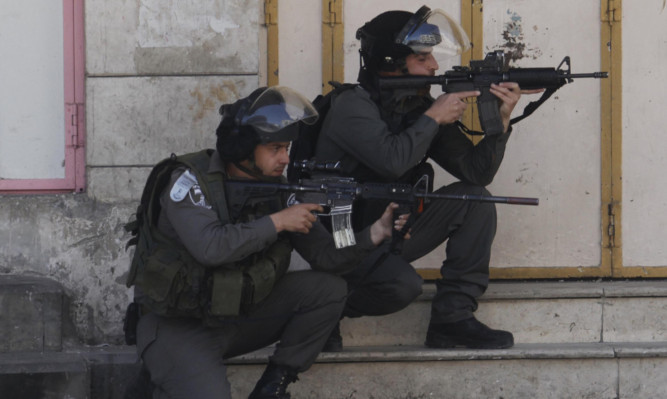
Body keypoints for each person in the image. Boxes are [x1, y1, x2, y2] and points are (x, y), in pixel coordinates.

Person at [123, 86, 408, 399]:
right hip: (178, 326)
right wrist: (279, 221)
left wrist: (375, 233)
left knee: (327, 289)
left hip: (238, 318)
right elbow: (210, 247)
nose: (286, 158)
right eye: (275, 148)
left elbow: (327, 258)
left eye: (286, 147)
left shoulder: (276, 189)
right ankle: (159, 375)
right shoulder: (189, 181)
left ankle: (274, 386)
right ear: (243, 149)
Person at [313, 6, 544, 351]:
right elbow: (392, 161)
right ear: (391, 62)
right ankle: (320, 312)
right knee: (402, 286)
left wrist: (500, 123)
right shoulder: (352, 106)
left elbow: (476, 172)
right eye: (423, 58)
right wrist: (434, 118)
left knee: (475, 199)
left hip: (392, 228)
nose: (434, 66)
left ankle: (453, 320)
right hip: (345, 239)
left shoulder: (416, 107)